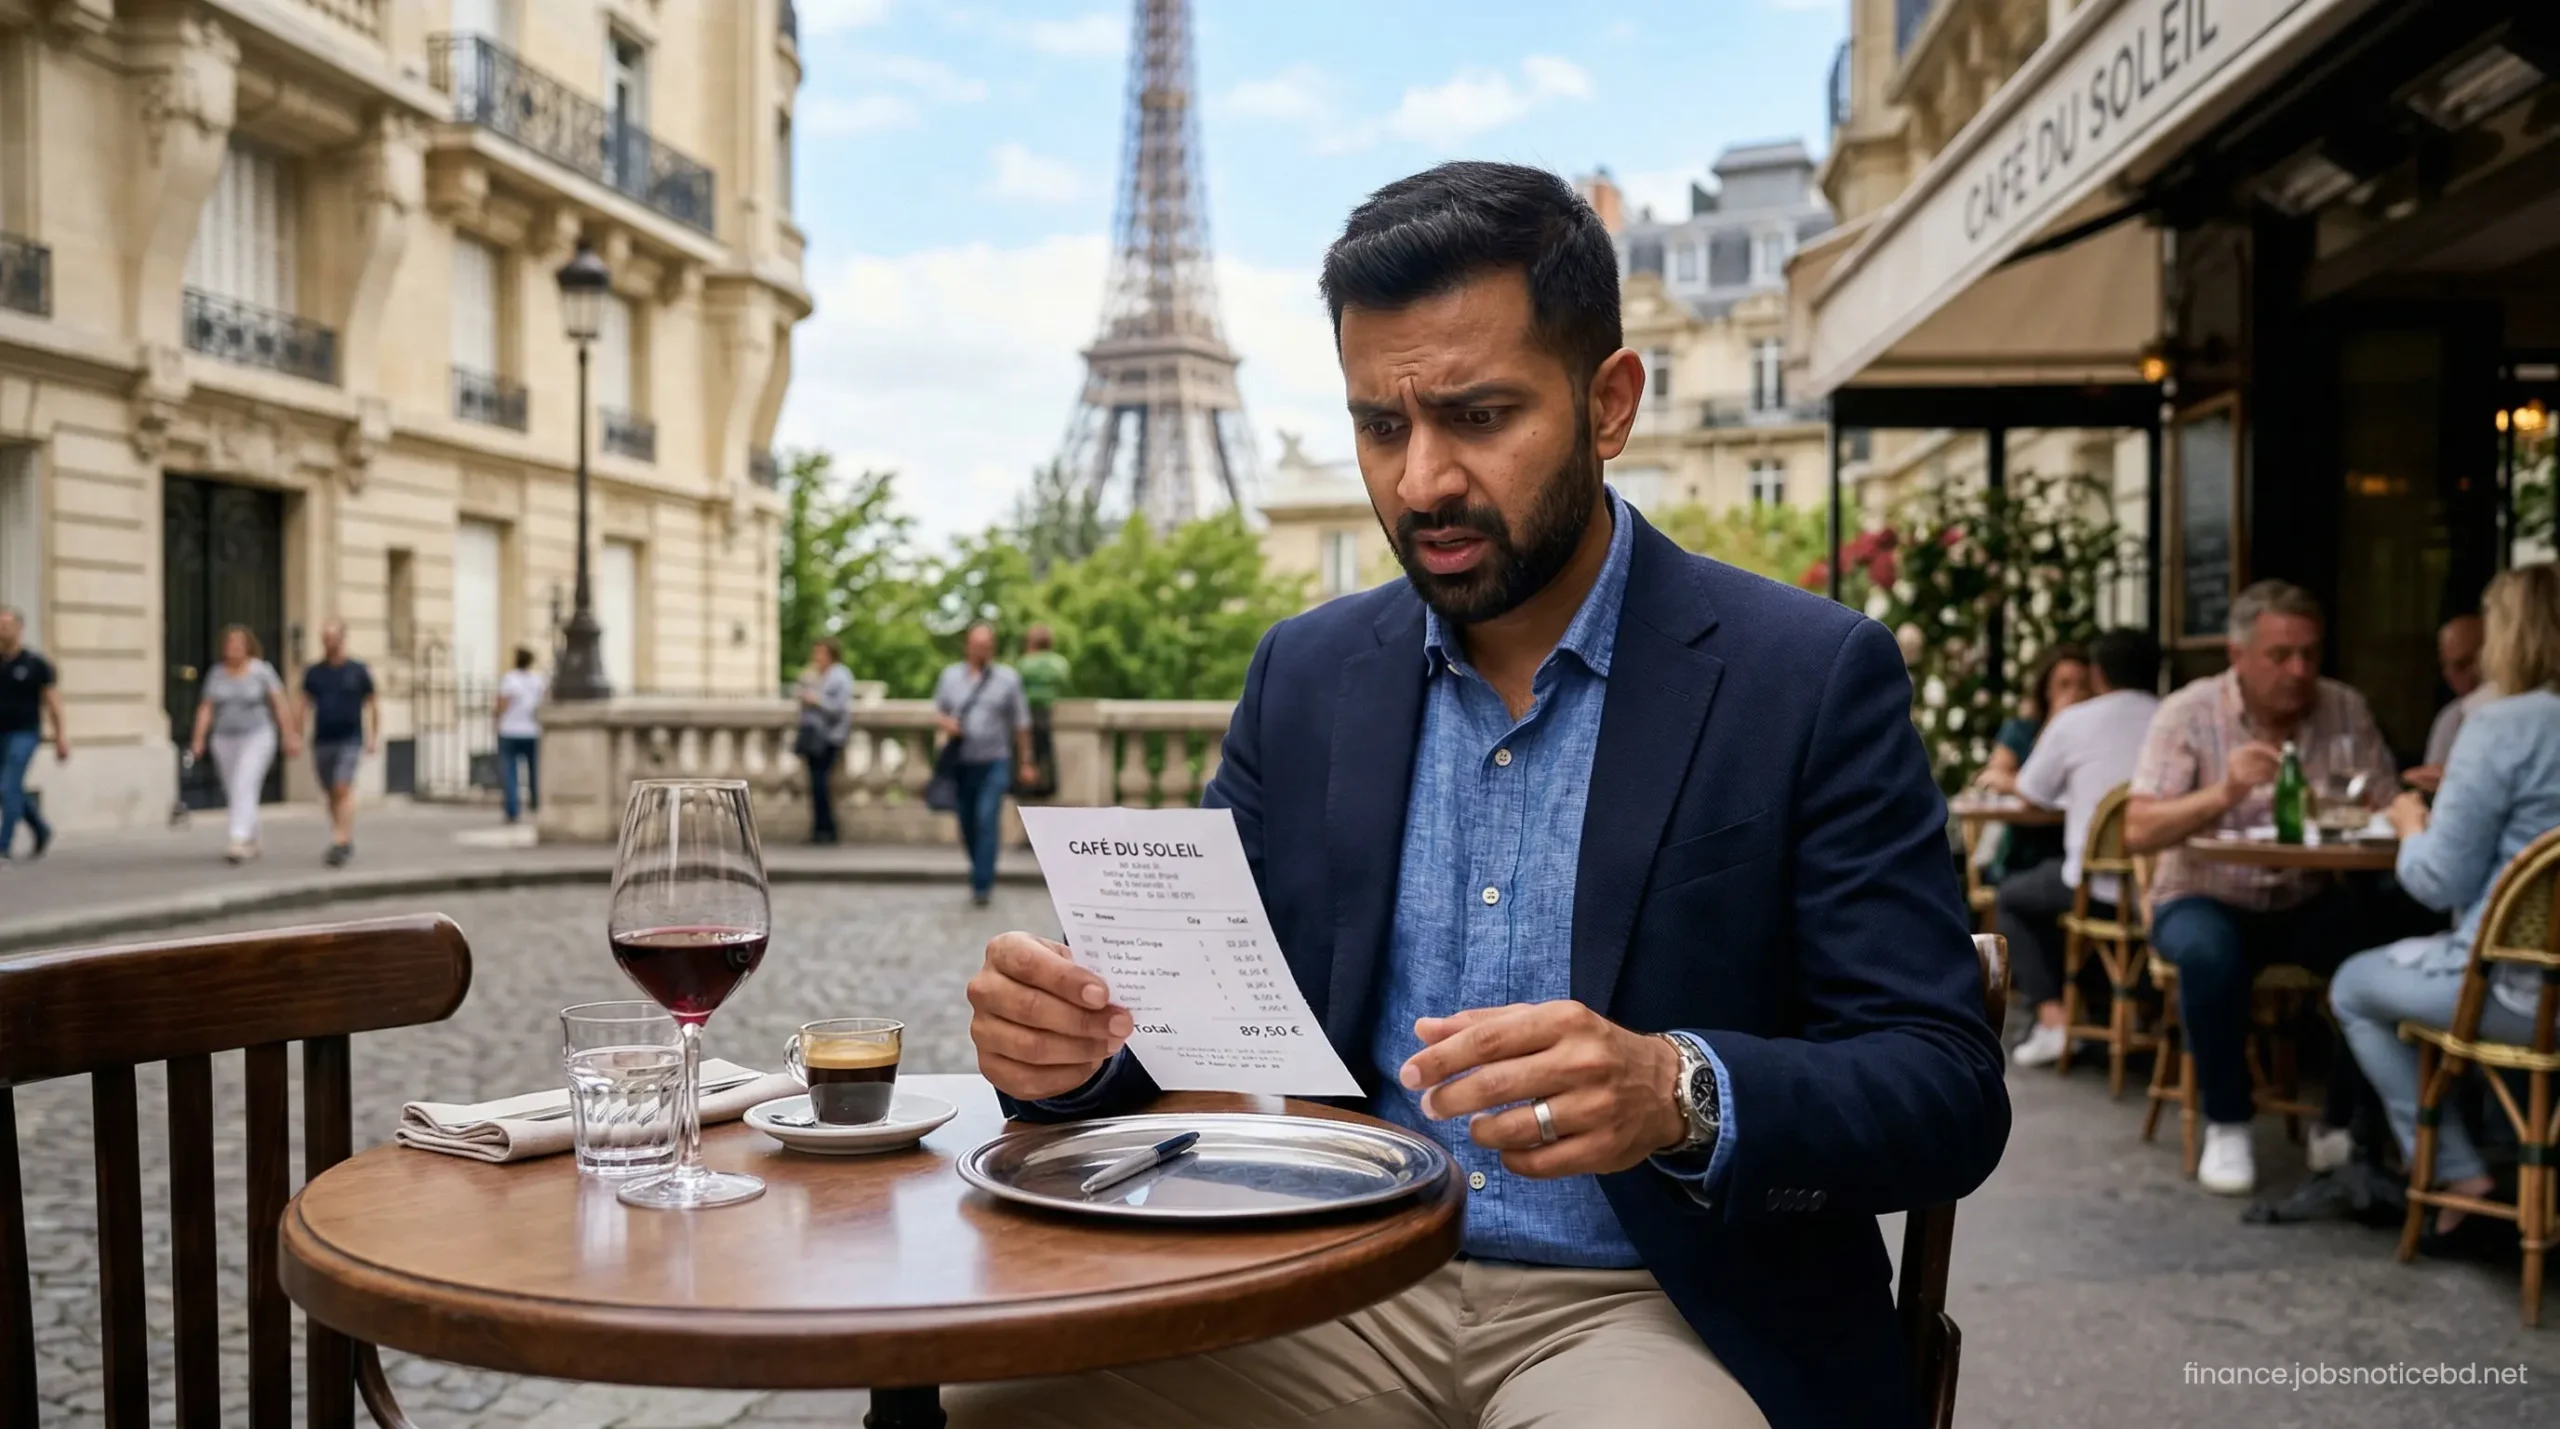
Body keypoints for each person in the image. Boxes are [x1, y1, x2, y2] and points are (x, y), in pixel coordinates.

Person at [949, 162, 2005, 1429]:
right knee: (978, 1401)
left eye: (1479, 416)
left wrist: (1677, 1090)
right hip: (1327, 1275)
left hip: (1658, 1308)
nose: (1420, 482)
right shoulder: (1307, 673)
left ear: (1610, 403)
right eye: (1382, 427)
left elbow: (1944, 1088)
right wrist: (1065, 1057)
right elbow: (1189, 1038)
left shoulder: (1809, 675)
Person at [2124, 580, 2398, 1194]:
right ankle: (2226, 1122)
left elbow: (2385, 804)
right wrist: (2224, 793)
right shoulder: (2190, 713)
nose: (2298, 671)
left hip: (2303, 893)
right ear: (2238, 654)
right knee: (2209, 952)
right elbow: (2139, 829)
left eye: (2309, 653)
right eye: (2281, 655)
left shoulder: (2343, 708)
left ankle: (2341, 1122)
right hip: (2203, 892)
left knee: (2382, 948)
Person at [2330, 564, 2560, 1240]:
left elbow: (2437, 881)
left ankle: (2457, 1168)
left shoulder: (2502, 726)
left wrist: (2408, 822)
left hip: (2525, 996)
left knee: (2351, 984)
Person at [1996, 629, 2162, 1068]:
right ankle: (2137, 1015)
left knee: (2009, 898)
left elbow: (2031, 792)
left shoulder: (2076, 722)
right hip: (2161, 887)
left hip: (2099, 889)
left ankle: (2055, 1020)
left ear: (2098, 674)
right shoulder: (2173, 717)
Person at [933, 623, 1033, 907]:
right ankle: (979, 868)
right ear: (968, 645)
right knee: (967, 822)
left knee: (987, 818)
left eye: (987, 645)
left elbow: (1021, 723)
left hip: (995, 761)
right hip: (962, 762)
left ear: (993, 647)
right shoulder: (950, 676)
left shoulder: (1008, 679)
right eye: (977, 645)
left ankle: (982, 884)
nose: (982, 650)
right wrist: (948, 724)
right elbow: (938, 711)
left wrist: (1026, 760)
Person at [189, 625, 297, 864]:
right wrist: (198, 738)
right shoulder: (216, 674)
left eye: (238, 643)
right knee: (235, 788)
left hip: (257, 735)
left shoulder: (261, 671)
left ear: (248, 646)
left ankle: (237, 839)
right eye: (229, 643)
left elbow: (279, 703)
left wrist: (290, 734)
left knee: (244, 782)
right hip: (224, 737)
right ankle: (252, 838)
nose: (233, 648)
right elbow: (206, 707)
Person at [298, 620, 376, 867]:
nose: (329, 642)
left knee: (343, 786)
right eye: (325, 637)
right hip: (323, 739)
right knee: (330, 791)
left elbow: (373, 704)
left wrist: (373, 736)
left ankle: (340, 840)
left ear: (343, 638)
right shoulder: (315, 673)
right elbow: (302, 704)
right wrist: (296, 734)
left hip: (350, 737)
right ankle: (343, 833)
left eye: (333, 637)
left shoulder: (357, 670)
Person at [1975, 644, 2093, 796]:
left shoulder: (2095, 736)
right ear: (2047, 690)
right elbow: (1992, 777)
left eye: (2083, 686)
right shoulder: (2021, 731)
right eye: (2064, 685)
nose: (2075, 694)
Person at [0, 605, 67, 865]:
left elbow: (53, 703)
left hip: (25, 734)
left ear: (18, 628)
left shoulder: (36, 664)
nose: (2, 630)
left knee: (8, 786)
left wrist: (61, 737)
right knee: (9, 788)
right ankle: (41, 829)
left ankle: (3, 845)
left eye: (6, 625)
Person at [2405, 612, 2488, 793]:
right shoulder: (2450, 719)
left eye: (2465, 664)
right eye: (2447, 666)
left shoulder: (2527, 718)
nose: (2451, 675)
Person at [796, 638, 855, 845]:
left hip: (830, 737)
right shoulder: (813, 675)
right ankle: (820, 828)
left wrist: (816, 700)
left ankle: (826, 829)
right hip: (813, 736)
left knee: (822, 785)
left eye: (821, 653)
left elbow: (839, 708)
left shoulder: (841, 676)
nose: (817, 658)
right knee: (815, 785)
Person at [1015, 624, 1070, 800]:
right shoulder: (1060, 664)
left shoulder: (1025, 663)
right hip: (1048, 711)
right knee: (1046, 754)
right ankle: (1045, 783)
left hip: (1027, 713)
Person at [494, 647, 546, 824]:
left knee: (510, 773)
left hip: (510, 730)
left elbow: (503, 703)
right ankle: (537, 805)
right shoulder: (537, 680)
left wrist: (496, 718)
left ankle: (512, 810)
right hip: (532, 731)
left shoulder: (510, 679)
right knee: (535, 772)